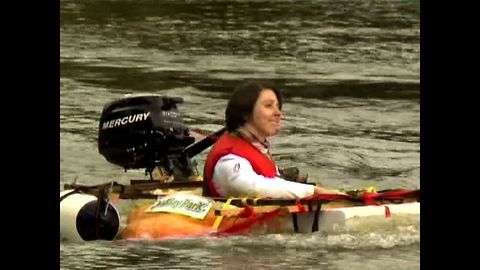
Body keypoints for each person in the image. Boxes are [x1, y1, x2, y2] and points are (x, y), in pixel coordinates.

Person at [202, 80, 342, 199]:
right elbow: (249, 186)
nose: (278, 113)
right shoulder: (229, 159)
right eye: (269, 106)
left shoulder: (257, 148)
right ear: (245, 113)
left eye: (278, 107)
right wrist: (312, 191)